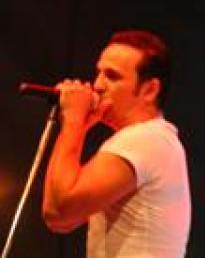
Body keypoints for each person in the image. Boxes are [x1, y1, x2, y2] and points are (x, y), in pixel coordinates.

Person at [42, 30, 191, 258]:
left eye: (112, 76)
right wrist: (79, 126)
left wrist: (73, 122)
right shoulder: (156, 141)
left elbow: (59, 210)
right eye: (99, 73)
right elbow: (63, 221)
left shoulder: (144, 139)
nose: (97, 85)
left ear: (150, 90)